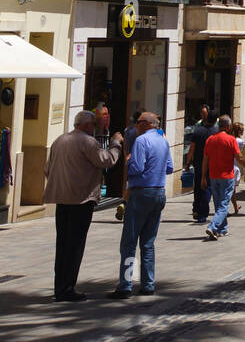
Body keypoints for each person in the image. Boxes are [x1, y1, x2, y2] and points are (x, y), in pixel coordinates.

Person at [43, 111, 123, 302]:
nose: (94, 127)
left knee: (62, 244)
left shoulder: (59, 140)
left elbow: (47, 169)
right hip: (81, 200)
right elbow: (106, 160)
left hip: (62, 200)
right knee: (75, 245)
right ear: (87, 125)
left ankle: (60, 286)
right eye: (93, 124)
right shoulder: (87, 142)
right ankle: (67, 288)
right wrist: (115, 144)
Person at [112, 112, 173, 298]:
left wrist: (129, 162)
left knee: (129, 242)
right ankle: (148, 283)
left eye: (138, 122)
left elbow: (137, 168)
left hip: (141, 192)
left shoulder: (141, 141)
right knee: (148, 242)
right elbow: (169, 167)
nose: (136, 126)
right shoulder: (163, 140)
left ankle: (125, 285)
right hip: (159, 192)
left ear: (146, 124)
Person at [202, 114, 241, 239]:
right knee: (224, 204)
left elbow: (205, 159)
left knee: (218, 203)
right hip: (227, 176)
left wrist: (203, 176)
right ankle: (212, 227)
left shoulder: (210, 139)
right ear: (228, 127)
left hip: (213, 175)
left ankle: (222, 229)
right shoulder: (231, 139)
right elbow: (238, 156)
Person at [185, 105, 216, 225]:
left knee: (198, 187)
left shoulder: (198, 131)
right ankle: (202, 212)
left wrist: (187, 163)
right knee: (207, 188)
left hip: (198, 163)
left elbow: (191, 149)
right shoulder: (216, 132)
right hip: (211, 165)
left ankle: (197, 209)